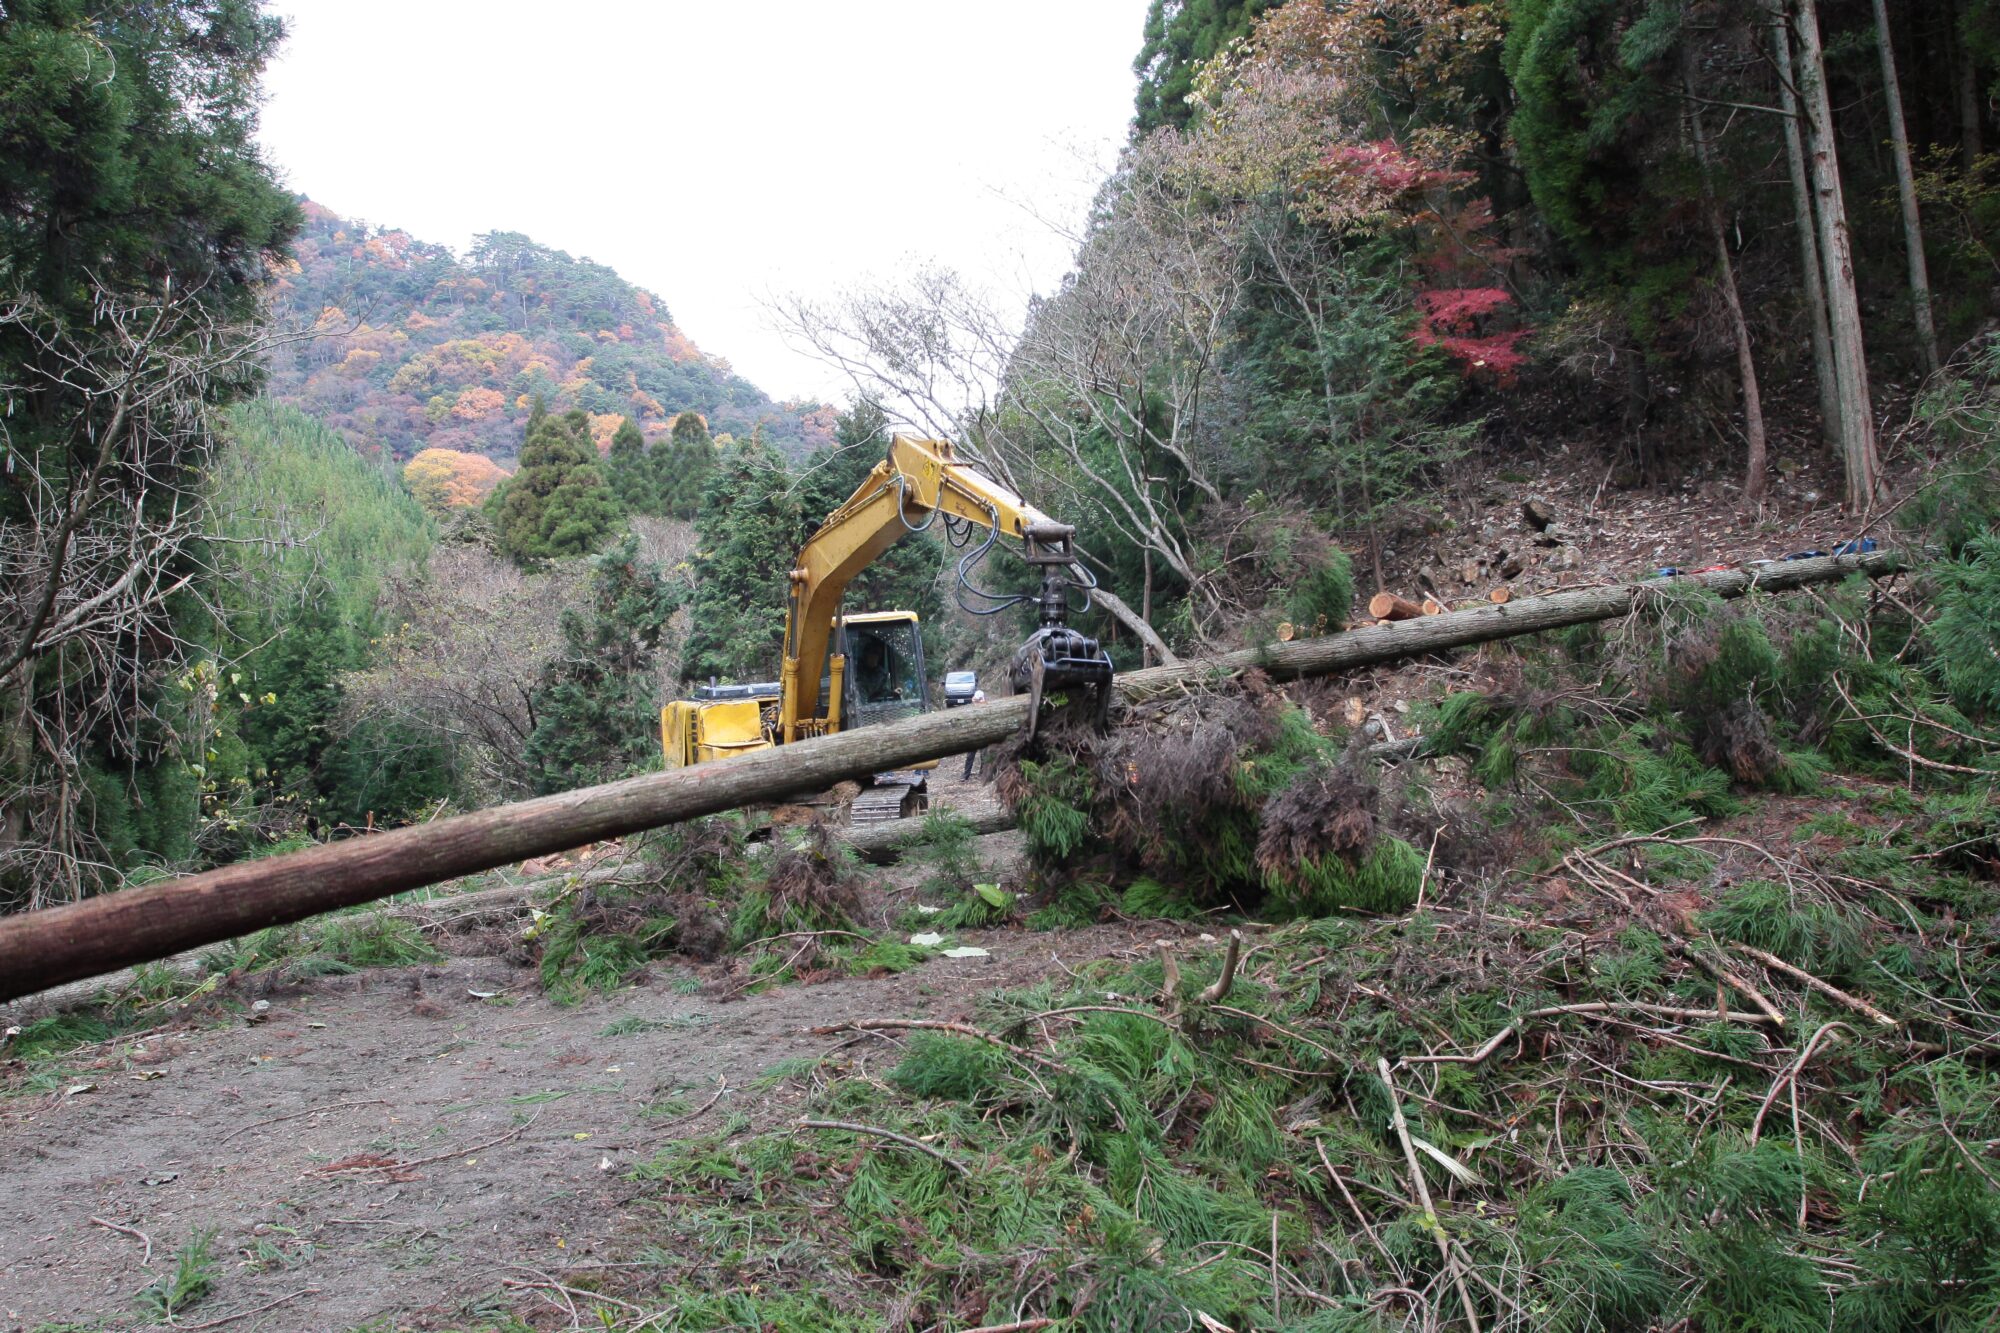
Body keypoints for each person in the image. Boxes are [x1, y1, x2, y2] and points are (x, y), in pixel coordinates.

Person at [855, 636, 894, 703]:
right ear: (866, 655)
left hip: (876, 706)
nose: (873, 658)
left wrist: (892, 693)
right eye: (871, 654)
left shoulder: (882, 674)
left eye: (876, 655)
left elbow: (884, 691)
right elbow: (861, 690)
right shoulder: (857, 672)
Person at [961, 687, 987, 779]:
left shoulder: (986, 707)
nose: (976, 702)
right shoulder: (972, 707)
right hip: (974, 735)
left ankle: (983, 773)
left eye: (978, 700)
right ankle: (965, 775)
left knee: (984, 756)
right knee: (970, 756)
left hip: (984, 735)